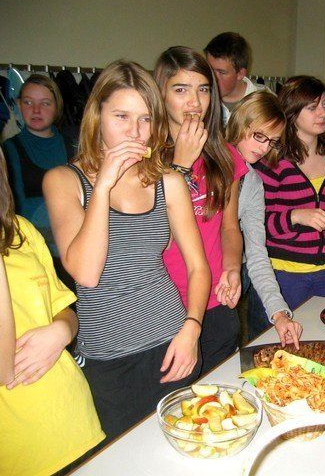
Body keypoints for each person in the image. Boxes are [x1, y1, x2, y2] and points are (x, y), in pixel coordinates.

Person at [43, 60, 211, 441]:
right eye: (121, 116)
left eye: (145, 119)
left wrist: (192, 328)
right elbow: (86, 272)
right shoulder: (63, 181)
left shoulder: (168, 181)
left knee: (185, 446)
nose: (135, 131)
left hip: (173, 341)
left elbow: (198, 268)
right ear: (97, 116)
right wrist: (103, 185)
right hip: (108, 358)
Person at [0, 148, 104, 475]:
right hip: (22, 450)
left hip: (77, 420)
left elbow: (65, 311)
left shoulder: (19, 230)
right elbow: (4, 370)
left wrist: (61, 331)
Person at [154, 46, 246, 375]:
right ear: (160, 94)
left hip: (217, 301)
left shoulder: (225, 156)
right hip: (165, 306)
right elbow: (152, 237)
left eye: (203, 90)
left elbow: (229, 227)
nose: (194, 102)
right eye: (181, 90)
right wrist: (180, 165)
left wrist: (232, 267)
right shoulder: (144, 160)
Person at [255, 76, 325, 309]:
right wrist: (296, 216)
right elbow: (257, 224)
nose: (322, 113)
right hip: (284, 272)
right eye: (312, 107)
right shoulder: (272, 162)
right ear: (292, 112)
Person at [226, 90, 303, 345]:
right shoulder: (204, 163)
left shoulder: (253, 182)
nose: (264, 148)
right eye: (259, 136)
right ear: (240, 123)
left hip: (225, 284)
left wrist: (279, 313)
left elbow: (257, 255)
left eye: (272, 141)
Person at [2, 75, 74, 260]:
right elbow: (14, 209)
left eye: (45, 103)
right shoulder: (8, 151)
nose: (35, 110)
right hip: (33, 252)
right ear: (19, 105)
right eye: (28, 102)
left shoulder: (74, 147)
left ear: (57, 107)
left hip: (74, 248)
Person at [204, 32, 271, 126]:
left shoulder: (266, 102)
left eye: (222, 72)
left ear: (240, 74)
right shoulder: (200, 99)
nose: (213, 78)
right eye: (210, 69)